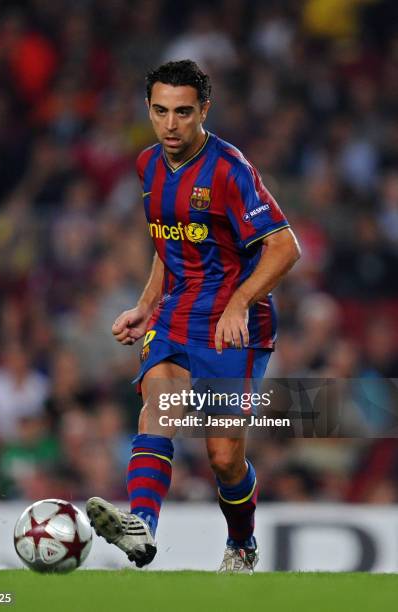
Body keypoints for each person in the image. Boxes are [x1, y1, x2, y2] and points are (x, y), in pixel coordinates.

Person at [86, 60, 300, 572]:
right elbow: (169, 243)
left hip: (234, 325)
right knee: (158, 411)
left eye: (183, 112)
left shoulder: (230, 169)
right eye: (160, 111)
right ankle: (141, 528)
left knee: (224, 457)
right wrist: (145, 305)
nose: (171, 124)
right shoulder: (148, 166)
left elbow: (284, 247)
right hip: (178, 314)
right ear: (149, 110)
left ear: (204, 109)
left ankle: (242, 545)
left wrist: (239, 303)